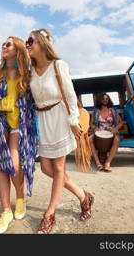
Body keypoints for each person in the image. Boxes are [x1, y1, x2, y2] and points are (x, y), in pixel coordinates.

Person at [27, 28, 94, 234]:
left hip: (59, 117)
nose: (27, 44)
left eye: (30, 40)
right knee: (46, 168)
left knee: (58, 169)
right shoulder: (29, 70)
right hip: (42, 120)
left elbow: (70, 94)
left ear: (42, 43)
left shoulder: (58, 65)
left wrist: (73, 119)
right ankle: (83, 195)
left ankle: (49, 214)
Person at [0, 36, 38, 234]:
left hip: (20, 123)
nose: (3, 46)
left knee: (13, 159)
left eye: (8, 44)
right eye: (3, 43)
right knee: (2, 165)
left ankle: (20, 197)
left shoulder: (27, 73)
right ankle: (6, 211)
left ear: (17, 49)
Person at [90, 93, 123, 172]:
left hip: (111, 131)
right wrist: (94, 128)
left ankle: (107, 163)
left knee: (117, 140)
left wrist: (116, 128)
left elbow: (121, 122)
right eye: (103, 99)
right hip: (99, 132)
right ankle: (98, 162)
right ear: (100, 100)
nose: (105, 100)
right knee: (89, 139)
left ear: (109, 100)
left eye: (107, 99)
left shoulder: (113, 110)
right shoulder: (96, 111)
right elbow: (91, 123)